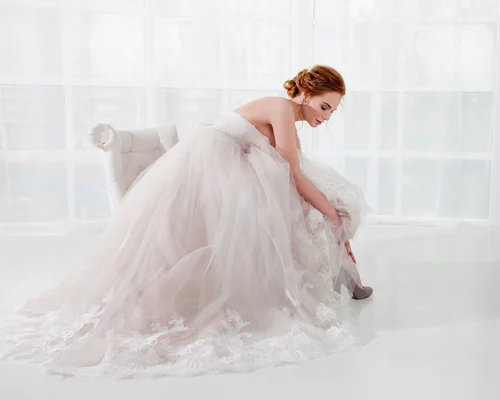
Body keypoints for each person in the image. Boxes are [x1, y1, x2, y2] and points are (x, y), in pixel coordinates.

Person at [0, 65, 373, 378]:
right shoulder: (280, 106)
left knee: (320, 200)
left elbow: (292, 166)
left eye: (332, 112)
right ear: (306, 94)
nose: (325, 117)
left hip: (226, 169)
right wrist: (326, 208)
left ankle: (348, 273)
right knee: (317, 205)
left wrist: (324, 203)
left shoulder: (286, 117)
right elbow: (293, 171)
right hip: (211, 172)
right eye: (324, 106)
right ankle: (347, 275)